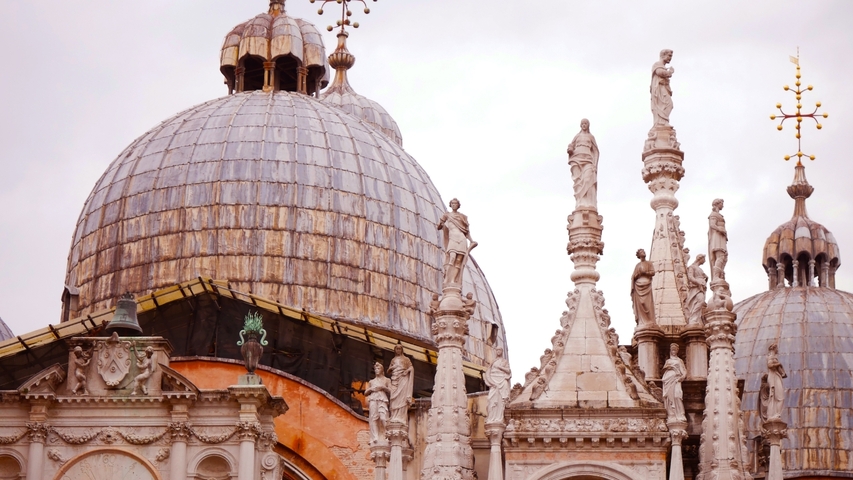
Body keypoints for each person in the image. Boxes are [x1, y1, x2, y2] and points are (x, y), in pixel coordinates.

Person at [437, 198, 477, 286]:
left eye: (456, 203)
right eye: (452, 203)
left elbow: (466, 232)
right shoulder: (446, 215)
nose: (454, 205)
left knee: (459, 260)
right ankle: (447, 279)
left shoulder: (463, 217)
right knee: (452, 258)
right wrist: (441, 224)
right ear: (450, 205)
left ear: (458, 205)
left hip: (462, 239)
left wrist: (471, 241)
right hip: (453, 238)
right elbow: (439, 226)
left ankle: (453, 280)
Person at [566, 118, 600, 210]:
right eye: (582, 123)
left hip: (588, 160)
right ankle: (580, 203)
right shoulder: (577, 136)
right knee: (578, 181)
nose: (584, 125)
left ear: (588, 125)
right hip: (576, 159)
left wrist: (595, 165)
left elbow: (596, 151)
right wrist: (570, 150)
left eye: (586, 123)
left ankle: (589, 203)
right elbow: (571, 146)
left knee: (588, 179)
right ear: (580, 125)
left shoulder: (591, 137)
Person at [365, 362, 391, 444]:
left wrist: (382, 387)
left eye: (378, 368)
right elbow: (365, 393)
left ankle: (388, 435)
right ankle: (374, 437)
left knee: (383, 417)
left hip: (382, 398)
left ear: (382, 370)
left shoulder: (387, 380)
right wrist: (371, 389)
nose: (376, 370)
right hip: (373, 399)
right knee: (373, 418)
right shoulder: (371, 381)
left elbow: (391, 390)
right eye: (375, 369)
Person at [483, 348, 512, 424]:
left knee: (501, 401)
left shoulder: (504, 361)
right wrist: (491, 381)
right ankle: (492, 418)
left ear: (502, 352)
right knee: (491, 399)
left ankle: (499, 419)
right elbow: (488, 372)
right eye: (497, 350)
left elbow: (508, 371)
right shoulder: (493, 361)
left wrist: (500, 367)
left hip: (502, 380)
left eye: (500, 350)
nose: (498, 352)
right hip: (494, 382)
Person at [388, 345, 414, 424]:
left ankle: (401, 417)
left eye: (399, 349)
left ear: (402, 350)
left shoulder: (406, 359)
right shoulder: (393, 360)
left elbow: (411, 367)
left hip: (403, 379)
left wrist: (407, 371)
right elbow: (388, 371)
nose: (398, 350)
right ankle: (394, 416)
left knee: (402, 398)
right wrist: (392, 368)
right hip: (394, 380)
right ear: (395, 350)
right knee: (393, 398)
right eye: (396, 349)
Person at [661, 344, 687, 423]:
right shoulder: (668, 361)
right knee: (669, 397)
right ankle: (671, 414)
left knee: (677, 396)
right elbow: (663, 370)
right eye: (672, 350)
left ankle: (680, 414)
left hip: (676, 380)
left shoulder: (679, 361)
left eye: (675, 350)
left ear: (677, 351)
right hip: (668, 380)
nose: (673, 351)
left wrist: (682, 377)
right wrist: (669, 367)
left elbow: (684, 371)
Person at [631, 249, 656, 327]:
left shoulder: (649, 263)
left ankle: (650, 321)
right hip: (638, 286)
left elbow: (653, 272)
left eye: (644, 252)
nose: (644, 253)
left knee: (647, 304)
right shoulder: (637, 265)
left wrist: (645, 273)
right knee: (641, 304)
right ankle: (642, 322)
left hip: (647, 284)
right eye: (641, 252)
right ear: (639, 255)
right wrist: (637, 274)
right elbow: (633, 276)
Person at [650, 49, 675, 127]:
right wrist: (670, 72)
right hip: (659, 90)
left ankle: (663, 121)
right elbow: (660, 72)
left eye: (671, 56)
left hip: (663, 89)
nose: (670, 58)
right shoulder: (657, 64)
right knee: (668, 105)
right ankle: (661, 122)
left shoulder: (662, 66)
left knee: (669, 105)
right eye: (669, 56)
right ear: (663, 55)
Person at [765, 343, 787, 420]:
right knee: (778, 397)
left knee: (778, 397)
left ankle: (777, 414)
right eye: (777, 348)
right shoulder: (771, 356)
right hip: (773, 377)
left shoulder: (773, 357)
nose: (778, 350)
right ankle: (775, 414)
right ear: (774, 349)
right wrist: (778, 364)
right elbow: (770, 365)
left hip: (776, 376)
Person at [708, 199, 728, 281]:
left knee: (724, 257)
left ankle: (720, 275)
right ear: (717, 204)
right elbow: (712, 225)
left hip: (721, 236)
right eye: (722, 204)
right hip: (717, 236)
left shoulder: (719, 215)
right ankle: (716, 277)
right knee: (720, 256)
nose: (723, 205)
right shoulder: (714, 214)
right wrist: (720, 229)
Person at [686, 254, 709, 325]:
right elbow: (690, 277)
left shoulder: (700, 269)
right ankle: (693, 319)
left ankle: (696, 319)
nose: (704, 261)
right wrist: (698, 283)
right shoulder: (692, 267)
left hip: (702, 288)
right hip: (696, 287)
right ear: (700, 258)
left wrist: (705, 279)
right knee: (700, 301)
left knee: (700, 302)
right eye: (704, 259)